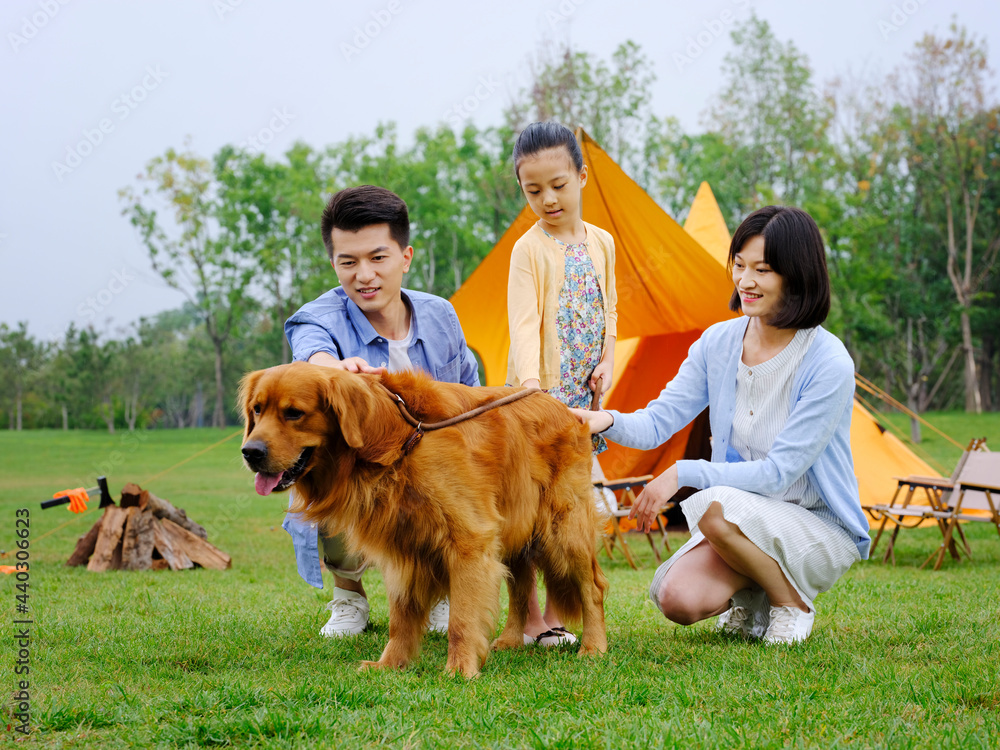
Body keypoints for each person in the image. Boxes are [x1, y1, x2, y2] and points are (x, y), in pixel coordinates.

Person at [572, 205, 870, 645]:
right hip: (739, 516)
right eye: (739, 265)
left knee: (715, 507)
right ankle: (755, 599)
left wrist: (682, 472)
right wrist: (604, 419)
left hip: (816, 524)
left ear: (798, 274)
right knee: (675, 596)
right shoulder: (718, 343)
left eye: (763, 270)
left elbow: (778, 475)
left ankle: (792, 603)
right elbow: (659, 422)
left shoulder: (828, 362)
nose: (745, 281)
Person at [283, 185, 480, 638]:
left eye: (378, 258)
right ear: (333, 263)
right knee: (329, 470)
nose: (363, 275)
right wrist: (336, 371)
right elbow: (310, 353)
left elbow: (468, 392)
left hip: (433, 468)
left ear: (405, 257)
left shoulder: (441, 315)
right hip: (362, 469)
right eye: (347, 262)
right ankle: (348, 595)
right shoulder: (317, 316)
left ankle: (439, 592)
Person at [506, 121, 618, 646]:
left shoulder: (604, 243)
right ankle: (525, 617)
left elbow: (610, 312)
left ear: (581, 176)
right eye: (533, 191)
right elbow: (524, 324)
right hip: (538, 401)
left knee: (568, 512)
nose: (547, 199)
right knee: (526, 511)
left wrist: (607, 364)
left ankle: (558, 616)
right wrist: (533, 389)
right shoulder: (527, 250)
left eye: (558, 185)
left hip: (582, 404)